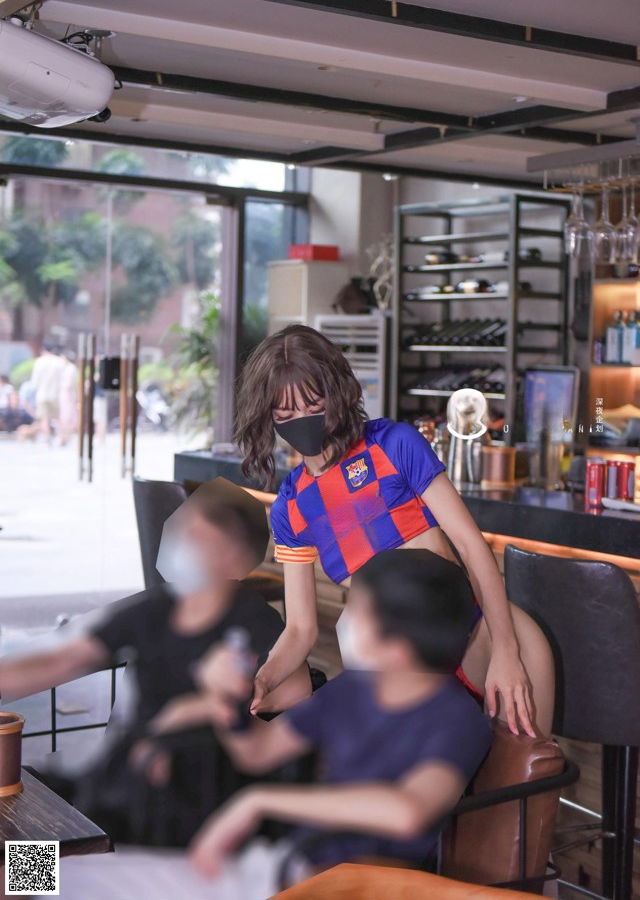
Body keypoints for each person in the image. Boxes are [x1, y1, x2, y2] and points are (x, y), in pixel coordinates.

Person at [53, 548, 494, 900]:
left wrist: (260, 802)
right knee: (32, 867)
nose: (344, 621)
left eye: (357, 609)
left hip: (335, 885)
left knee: (55, 879)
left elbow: (407, 810)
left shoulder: (455, 719)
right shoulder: (352, 691)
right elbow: (258, 750)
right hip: (274, 868)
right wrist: (229, 697)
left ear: (397, 646)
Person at [234, 324, 554, 737]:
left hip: (484, 636)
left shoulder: (393, 445)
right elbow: (300, 628)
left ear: (335, 393)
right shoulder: (290, 508)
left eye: (313, 405)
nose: (302, 421)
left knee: (525, 789)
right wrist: (265, 677)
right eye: (286, 414)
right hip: (393, 665)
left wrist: (507, 652)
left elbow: (473, 550)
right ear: (268, 417)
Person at [0, 478, 311, 848]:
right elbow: (68, 657)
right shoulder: (159, 607)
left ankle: (51, 879)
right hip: (121, 776)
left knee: (36, 860)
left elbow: (298, 690)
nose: (180, 545)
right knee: (17, 808)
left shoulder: (251, 622)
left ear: (232, 555)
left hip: (178, 797)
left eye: (197, 538)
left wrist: (207, 705)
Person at [30, 343, 63, 444]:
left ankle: (47, 438)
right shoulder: (59, 362)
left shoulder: (39, 362)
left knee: (44, 418)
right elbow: (63, 379)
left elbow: (34, 381)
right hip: (56, 394)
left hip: (42, 395)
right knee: (57, 418)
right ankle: (60, 437)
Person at [58, 350, 79, 446]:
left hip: (68, 396)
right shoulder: (67, 368)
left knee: (67, 417)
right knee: (66, 417)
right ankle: (64, 437)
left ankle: (66, 436)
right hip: (66, 395)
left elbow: (69, 384)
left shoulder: (70, 368)